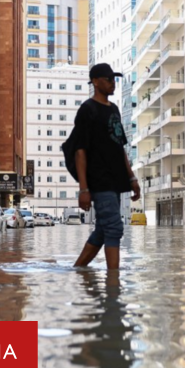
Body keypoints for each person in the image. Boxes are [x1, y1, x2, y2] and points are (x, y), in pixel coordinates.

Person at [72, 63, 141, 270]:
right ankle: (113, 282)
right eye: (109, 79)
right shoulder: (87, 110)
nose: (113, 83)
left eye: (115, 79)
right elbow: (79, 151)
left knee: (103, 229)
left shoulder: (115, 110)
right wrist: (84, 189)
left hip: (115, 179)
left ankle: (78, 270)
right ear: (95, 81)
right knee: (114, 227)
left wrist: (132, 178)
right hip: (98, 178)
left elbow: (120, 146)